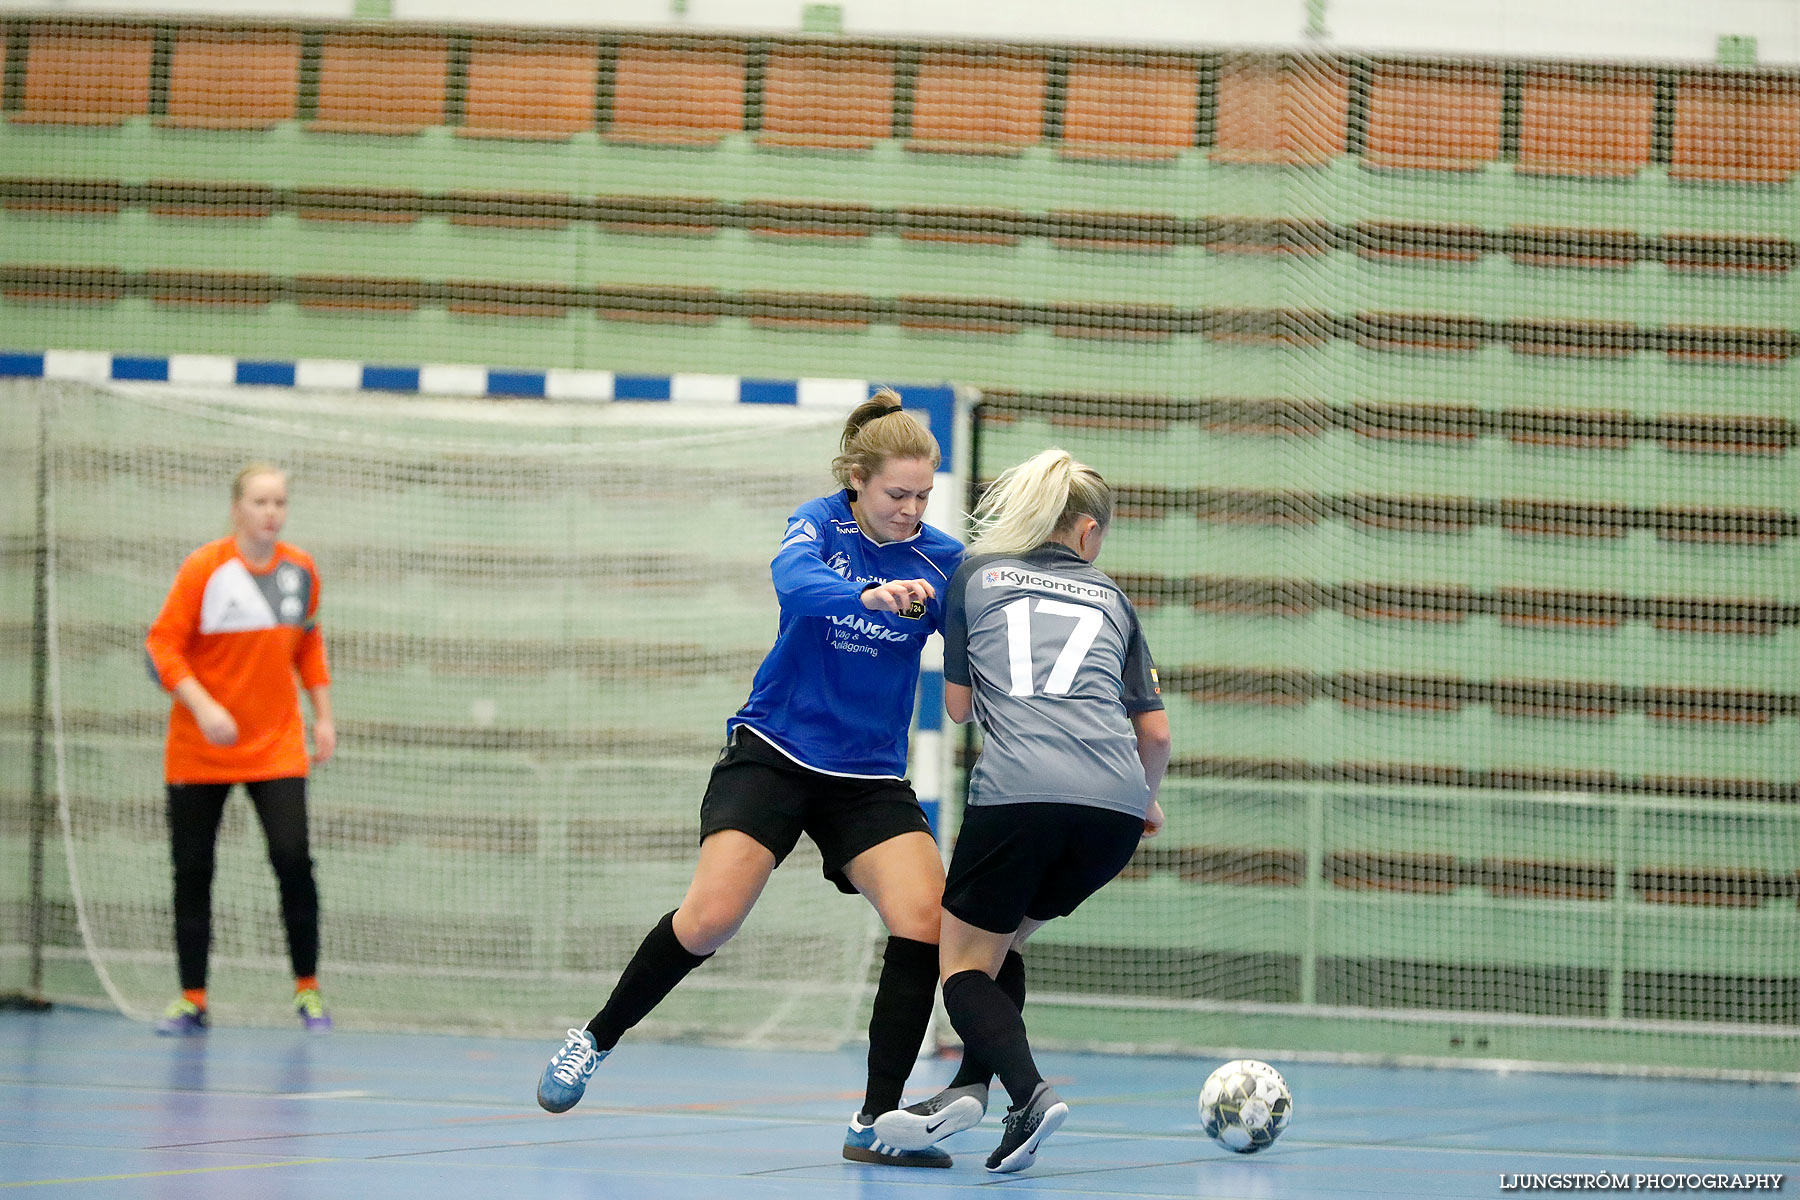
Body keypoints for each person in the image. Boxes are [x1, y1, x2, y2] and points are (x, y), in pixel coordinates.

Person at [535, 389, 970, 1168]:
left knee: (925, 922)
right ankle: (594, 1038)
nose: (910, 510)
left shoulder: (941, 560)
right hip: (774, 750)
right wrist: (865, 594)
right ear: (857, 482)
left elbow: (983, 628)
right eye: (895, 495)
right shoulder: (817, 523)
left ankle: (874, 1121)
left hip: (867, 777)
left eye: (922, 497)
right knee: (708, 920)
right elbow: (794, 584)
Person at [871, 447, 1171, 1173]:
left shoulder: (976, 574)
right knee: (1004, 944)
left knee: (963, 964)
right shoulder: (1112, 596)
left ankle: (1028, 1092)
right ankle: (971, 1085)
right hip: (1114, 812)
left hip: (1019, 795)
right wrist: (1146, 799)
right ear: (1088, 532)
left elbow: (959, 706)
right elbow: (1155, 732)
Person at [144, 464, 336, 1035]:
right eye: (259, 501)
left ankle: (308, 990)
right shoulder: (205, 568)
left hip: (276, 747)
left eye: (279, 501)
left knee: (293, 859)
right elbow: (161, 646)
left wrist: (323, 716)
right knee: (194, 869)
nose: (270, 511)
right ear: (237, 508)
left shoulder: (301, 570)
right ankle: (192, 998)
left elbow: (309, 648)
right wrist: (204, 707)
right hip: (198, 750)